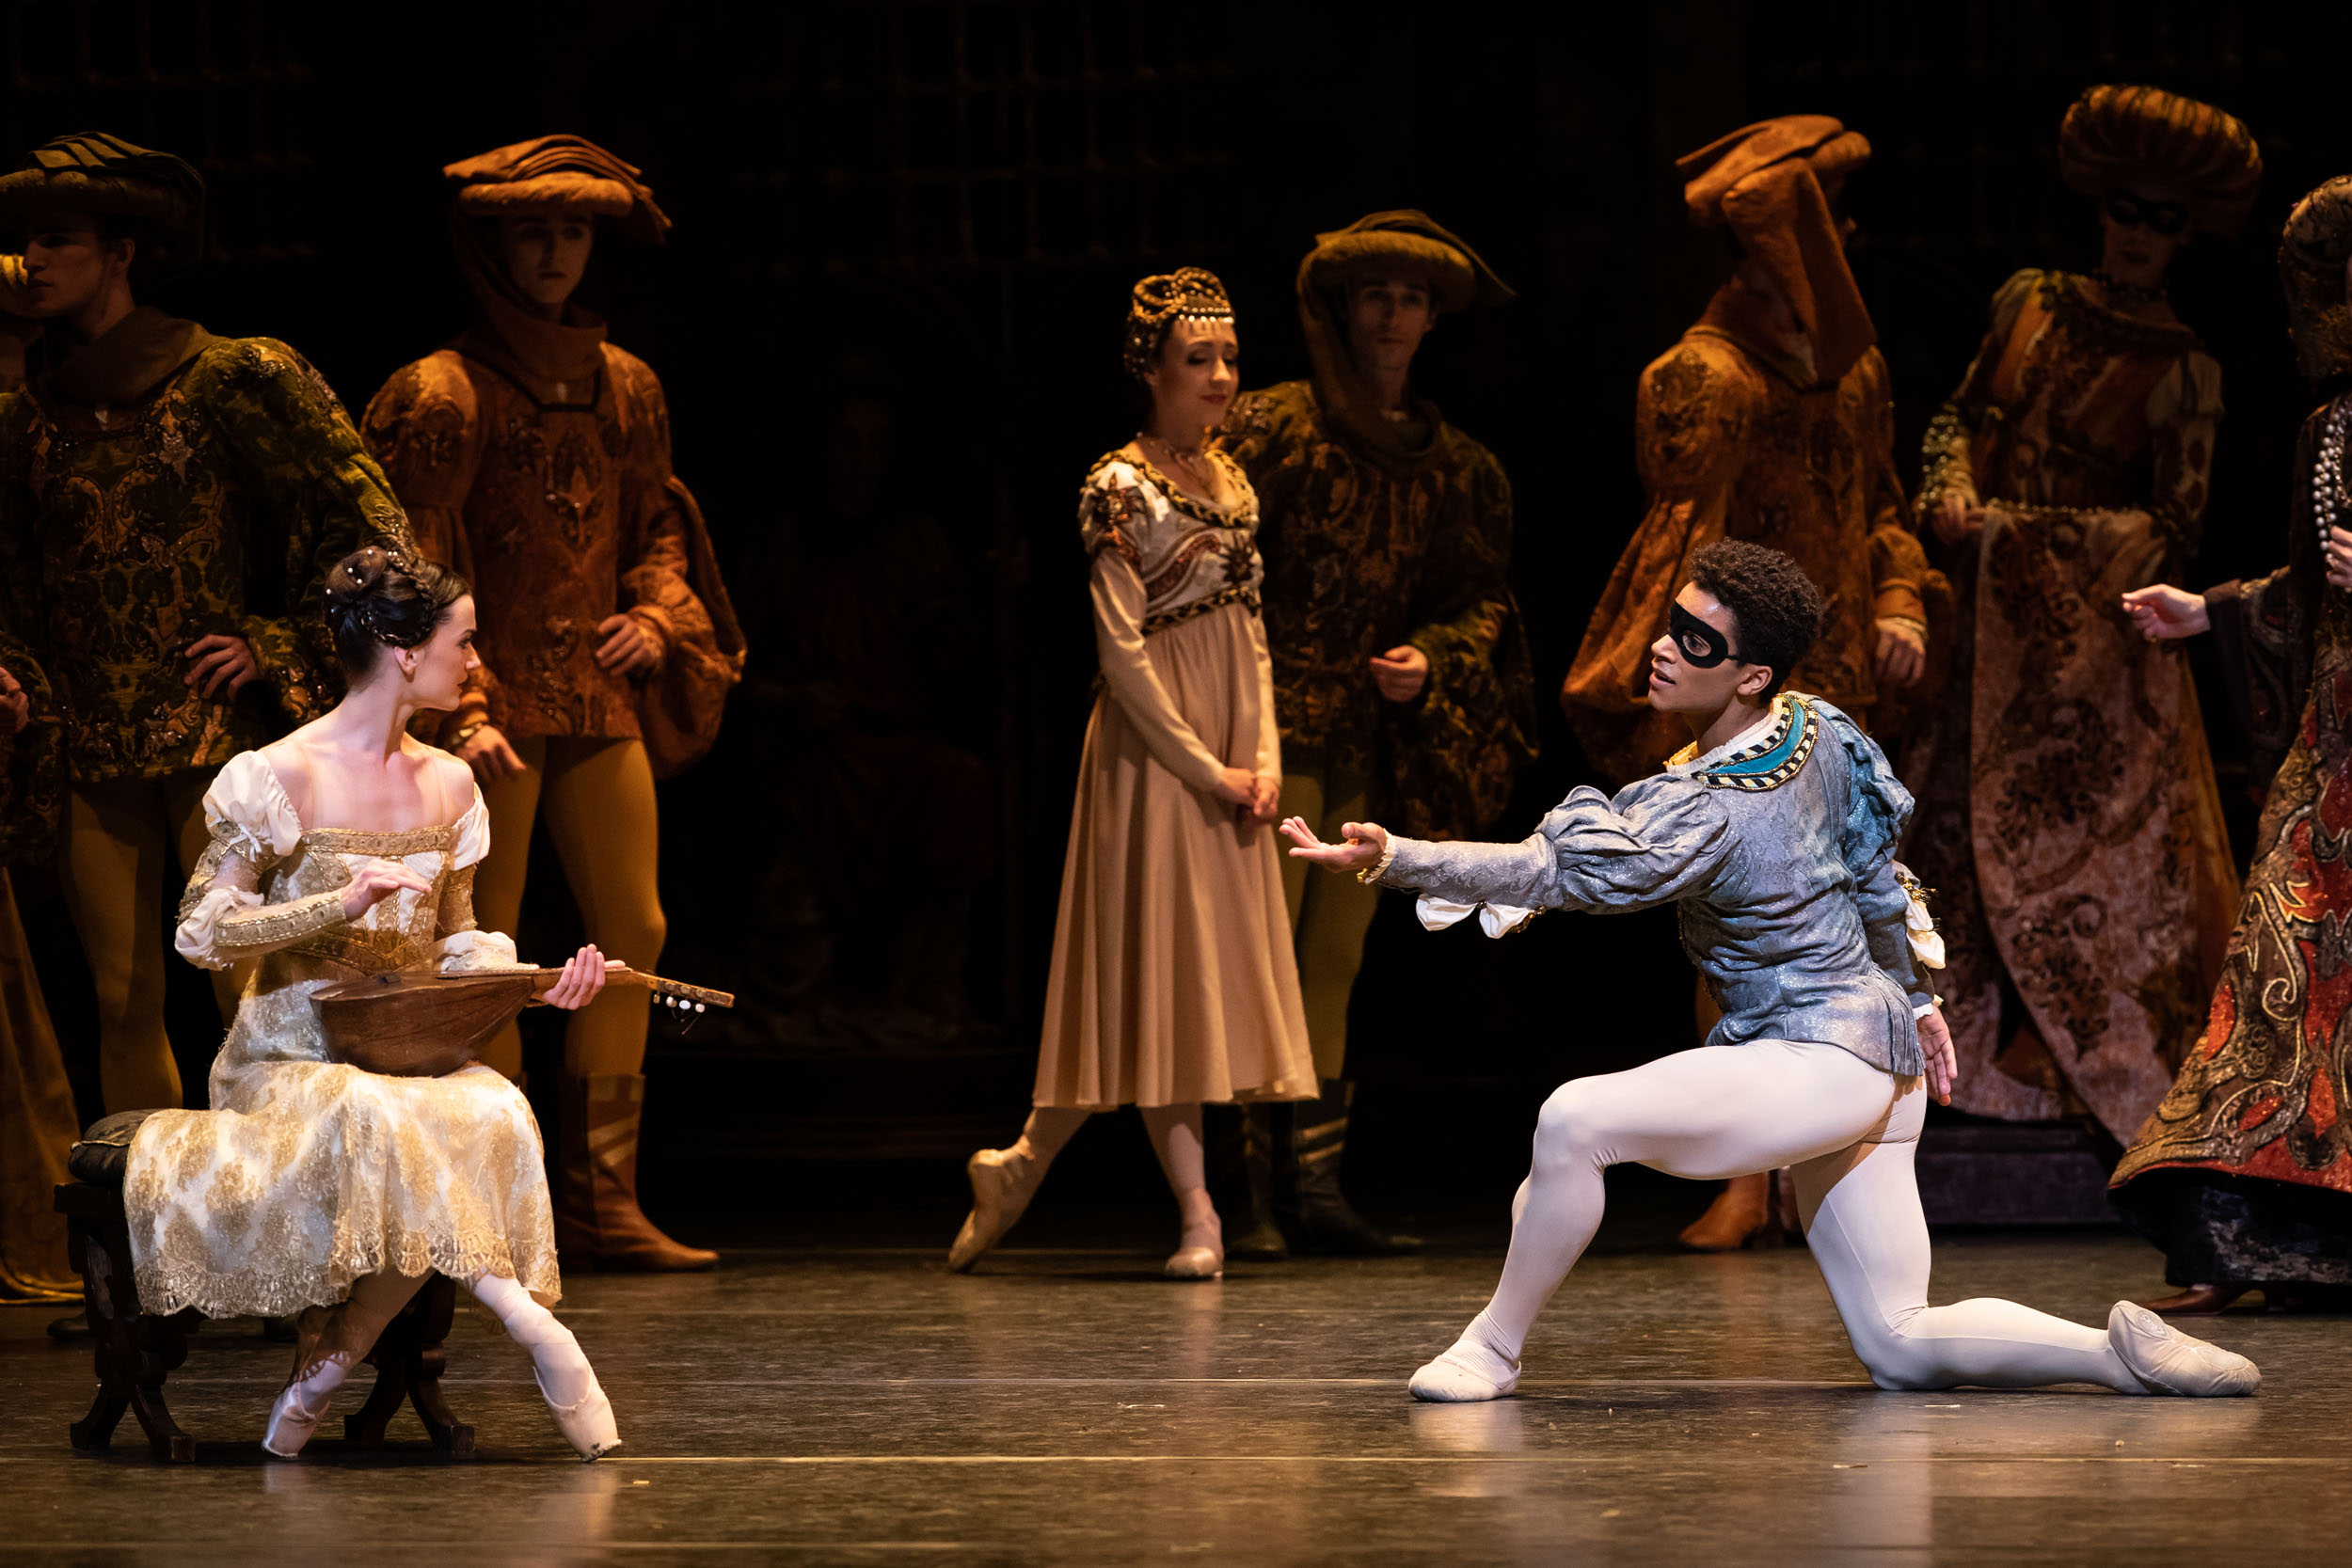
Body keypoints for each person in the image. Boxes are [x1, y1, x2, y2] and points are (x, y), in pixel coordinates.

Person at [1286, 539, 2258, 1402]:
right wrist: (1915, 1000)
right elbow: (1872, 878)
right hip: (1869, 1059)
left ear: (1749, 675)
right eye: (1671, 625)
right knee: (1902, 1342)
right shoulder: (1818, 727)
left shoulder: (1708, 804)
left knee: (1572, 1120)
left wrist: (1393, 853)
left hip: (1819, 1062)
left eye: (1696, 642)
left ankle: (1491, 1346)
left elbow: (1556, 871)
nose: (1664, 647)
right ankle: (2120, 1352)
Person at [117, 546, 621, 1460]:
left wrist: (538, 983)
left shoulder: (451, 781)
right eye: (463, 642)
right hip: (292, 1055)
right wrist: (330, 903)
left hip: (403, 1049)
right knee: (376, 1117)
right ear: (400, 648)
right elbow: (200, 931)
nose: (473, 663)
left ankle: (334, 1352)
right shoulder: (279, 773)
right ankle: (532, 1323)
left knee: (496, 1105)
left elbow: (457, 939)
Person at [363, 135, 740, 1273]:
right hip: (490, 706)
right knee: (489, 944)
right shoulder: (445, 389)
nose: (554, 252)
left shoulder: (626, 384)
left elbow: (655, 524)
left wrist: (657, 613)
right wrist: (461, 697)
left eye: (573, 230)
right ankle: (505, 1188)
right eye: (532, 230)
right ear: (489, 243)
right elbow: (410, 549)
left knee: (634, 931)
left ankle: (602, 1195)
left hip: (596, 691)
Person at [1560, 116, 1938, 1251]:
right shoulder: (1705, 373)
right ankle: (1741, 1173)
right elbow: (1682, 530)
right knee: (1738, 919)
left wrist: (1900, 595)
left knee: (1848, 926)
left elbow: (1880, 503)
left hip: (1839, 684)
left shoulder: (1856, 368)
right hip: (1743, 689)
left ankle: (1844, 1167)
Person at [0, 133, 414, 1116]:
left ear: (122, 253)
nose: (34, 262)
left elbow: (368, 523)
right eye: (24, 244)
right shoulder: (26, 418)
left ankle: (277, 1221)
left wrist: (275, 641)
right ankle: (147, 1231)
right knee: (122, 996)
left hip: (211, 734)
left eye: (60, 240)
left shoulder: (232, 377)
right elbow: (14, 578)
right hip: (92, 743)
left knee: (246, 986)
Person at [948, 268, 1316, 1280]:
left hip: (1232, 753)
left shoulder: (1232, 482)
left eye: (1229, 357)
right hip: (1154, 756)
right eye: (1198, 359)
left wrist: (1266, 758)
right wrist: (1206, 769)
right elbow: (1121, 654)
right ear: (1150, 370)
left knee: (1185, 990)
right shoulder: (1119, 486)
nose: (1221, 376)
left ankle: (1024, 1165)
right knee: (1156, 980)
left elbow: (1251, 637)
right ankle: (1196, 1212)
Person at [1906, 86, 2256, 1145]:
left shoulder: (2184, 369)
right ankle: (1939, 1070)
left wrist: (2012, 534)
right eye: (2126, 210)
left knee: (2083, 869)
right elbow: (1957, 418)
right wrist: (1948, 487)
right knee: (1944, 834)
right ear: (2100, 212)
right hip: (1974, 630)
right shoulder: (2027, 301)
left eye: (2165, 221)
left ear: (2184, 237)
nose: (2140, 235)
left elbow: (2170, 528)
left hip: (2085, 659)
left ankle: (2082, 1083)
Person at [1218, 212, 1534, 1257]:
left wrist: (1432, 658)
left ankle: (1313, 1188)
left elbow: (1480, 597)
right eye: (1375, 296)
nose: (1393, 315)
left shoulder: (1454, 468)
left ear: (1433, 316)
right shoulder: (1274, 430)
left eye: (1411, 299)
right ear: (1343, 309)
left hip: (1361, 739)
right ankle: (1247, 1194)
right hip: (1263, 738)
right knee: (1254, 959)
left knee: (1330, 966)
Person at [2108, 175, 2352, 1315]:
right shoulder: (2330, 423)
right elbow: (2315, 587)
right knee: (2278, 977)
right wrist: (2213, 611)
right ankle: (2248, 1241)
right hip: (2336, 752)